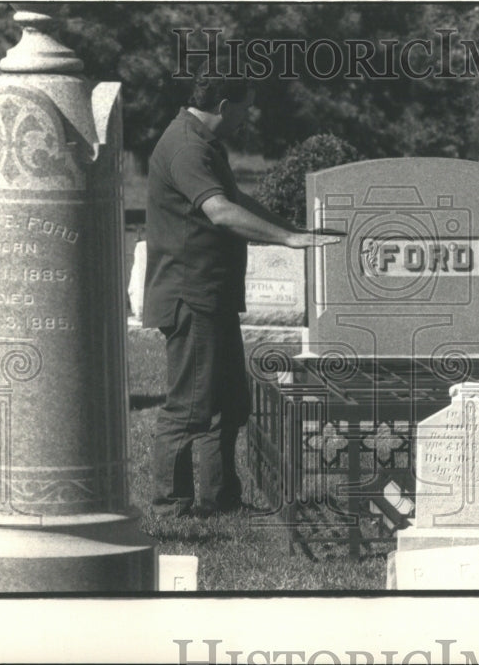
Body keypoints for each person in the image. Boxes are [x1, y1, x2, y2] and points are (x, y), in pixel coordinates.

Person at [143, 76, 343, 518]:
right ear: (223, 103)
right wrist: (288, 242)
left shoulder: (204, 142)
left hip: (212, 295)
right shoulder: (187, 148)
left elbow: (236, 200)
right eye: (244, 108)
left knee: (229, 405)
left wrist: (294, 231)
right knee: (189, 408)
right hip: (190, 296)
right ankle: (170, 510)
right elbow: (220, 212)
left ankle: (221, 501)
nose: (247, 118)